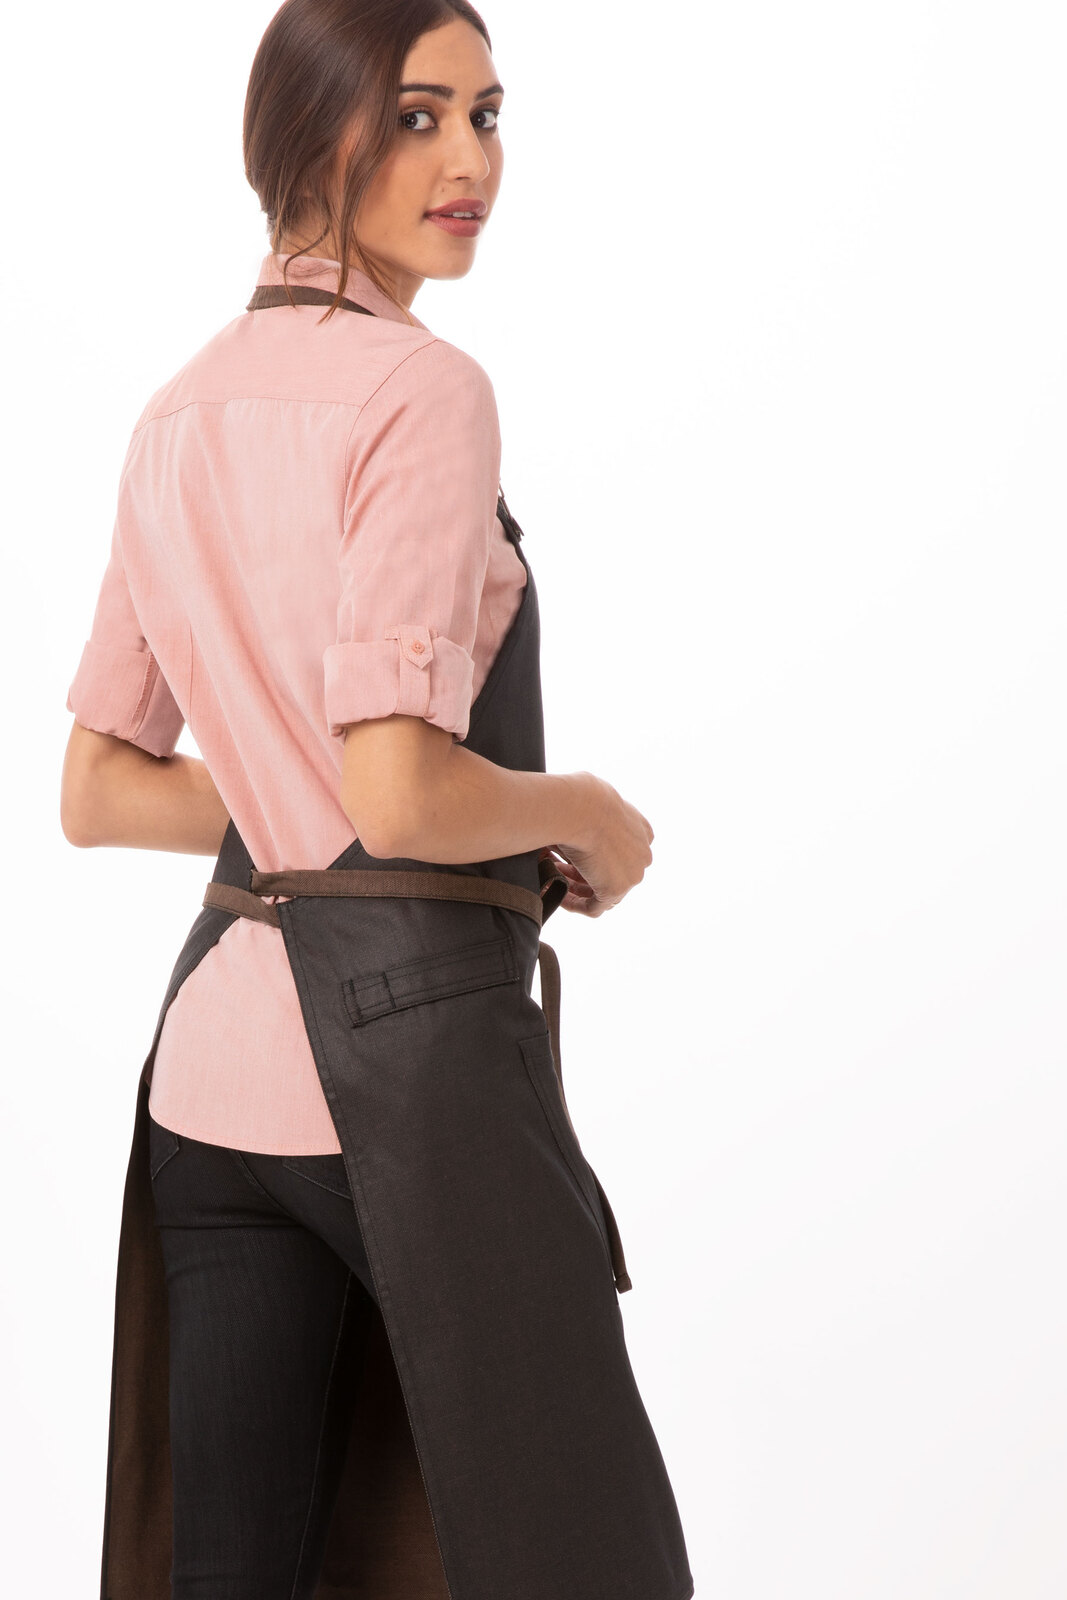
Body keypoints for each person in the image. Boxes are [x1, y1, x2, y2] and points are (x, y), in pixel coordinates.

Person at [60, 4, 694, 1598]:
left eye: (488, 113)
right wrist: (583, 812)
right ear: (308, 134)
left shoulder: (172, 416)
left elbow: (99, 786)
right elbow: (399, 793)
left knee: (237, 1570)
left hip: (210, 1088)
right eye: (418, 116)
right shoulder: (426, 391)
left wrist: (289, 794)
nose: (470, 158)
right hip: (406, 1088)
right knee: (582, 1555)